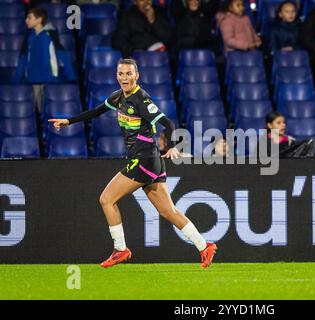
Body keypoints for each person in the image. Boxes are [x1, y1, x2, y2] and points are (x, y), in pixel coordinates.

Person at [48, 59, 217, 268]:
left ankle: (121, 249)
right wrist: (69, 121)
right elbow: (96, 112)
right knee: (167, 211)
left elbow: (168, 123)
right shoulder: (118, 97)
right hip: (150, 160)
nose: (124, 78)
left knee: (106, 199)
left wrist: (173, 146)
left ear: (137, 76)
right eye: (121, 74)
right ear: (117, 75)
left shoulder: (142, 100)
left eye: (129, 74)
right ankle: (204, 245)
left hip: (143, 160)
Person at [13, 8, 76, 111]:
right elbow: (23, 58)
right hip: (33, 80)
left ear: (39, 19)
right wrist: (17, 79)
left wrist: (71, 76)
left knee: (49, 111)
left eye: (29, 18)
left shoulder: (51, 34)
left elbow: (62, 55)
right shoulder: (28, 36)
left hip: (49, 80)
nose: (26, 20)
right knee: (36, 111)